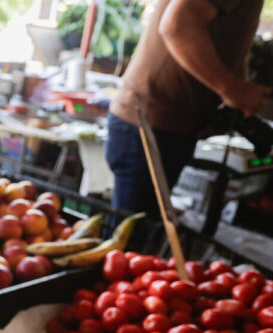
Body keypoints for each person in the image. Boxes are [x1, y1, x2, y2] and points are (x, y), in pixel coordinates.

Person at [105, 0, 269, 216]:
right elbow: (176, 26)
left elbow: (227, 42)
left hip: (170, 125)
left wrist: (230, 94)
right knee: (132, 239)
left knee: (144, 233)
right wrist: (231, 88)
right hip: (149, 123)